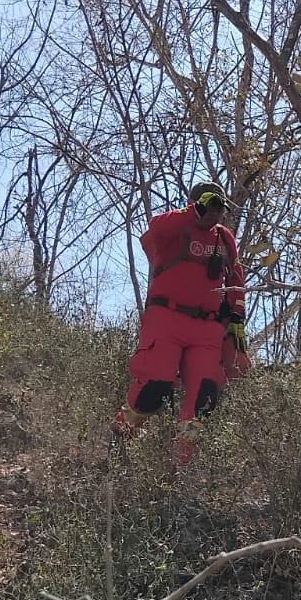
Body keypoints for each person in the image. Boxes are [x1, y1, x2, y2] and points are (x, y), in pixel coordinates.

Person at [112, 182, 249, 465]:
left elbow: (235, 278)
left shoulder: (224, 239)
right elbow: (155, 228)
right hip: (167, 319)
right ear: (193, 204)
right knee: (155, 385)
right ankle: (119, 444)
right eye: (209, 205)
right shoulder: (174, 227)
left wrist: (236, 323)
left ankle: (175, 469)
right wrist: (192, 213)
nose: (214, 213)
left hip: (207, 329)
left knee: (203, 398)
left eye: (218, 208)